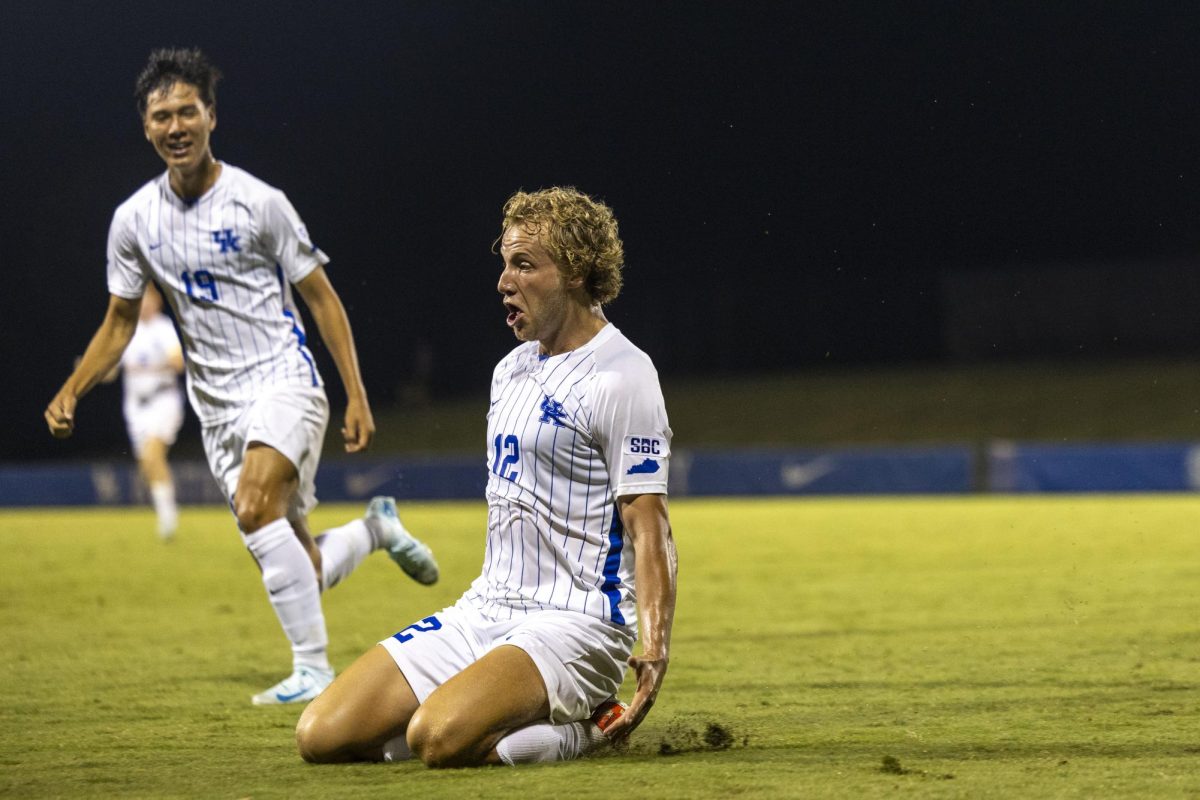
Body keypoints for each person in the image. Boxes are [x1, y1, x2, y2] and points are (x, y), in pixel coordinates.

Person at [43, 47, 439, 706]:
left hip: (285, 380)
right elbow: (118, 322)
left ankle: (314, 672)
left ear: (211, 117)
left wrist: (357, 395)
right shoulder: (133, 221)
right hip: (218, 409)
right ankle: (376, 529)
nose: (176, 126)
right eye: (162, 115)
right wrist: (72, 389)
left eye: (187, 111)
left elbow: (322, 299)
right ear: (146, 127)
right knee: (298, 561)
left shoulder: (261, 203)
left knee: (256, 511)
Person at [295, 187, 678, 768]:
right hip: (486, 608)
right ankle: (499, 721)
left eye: (524, 264)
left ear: (575, 272)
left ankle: (592, 728)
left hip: (577, 623)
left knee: (435, 739)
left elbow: (649, 525)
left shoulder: (623, 375)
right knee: (321, 735)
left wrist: (655, 643)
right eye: (503, 263)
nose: (504, 280)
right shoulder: (511, 371)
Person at [105, 281, 185, 540]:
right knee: (147, 465)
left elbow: (178, 361)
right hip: (135, 408)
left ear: (157, 301)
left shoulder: (163, 328)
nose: (145, 304)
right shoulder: (129, 331)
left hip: (163, 401)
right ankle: (165, 510)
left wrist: (148, 368)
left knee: (153, 455)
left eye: (149, 298)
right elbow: (112, 369)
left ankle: (168, 518)